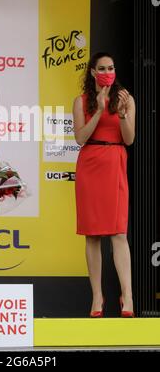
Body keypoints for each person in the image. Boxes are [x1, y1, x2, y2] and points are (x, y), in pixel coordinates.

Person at [73, 52, 135, 317]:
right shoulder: (81, 101)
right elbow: (80, 137)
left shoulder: (127, 98)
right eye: (102, 68)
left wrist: (121, 114)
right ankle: (97, 298)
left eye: (111, 67)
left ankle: (128, 297)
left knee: (119, 233)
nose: (108, 71)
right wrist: (98, 110)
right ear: (92, 72)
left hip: (115, 162)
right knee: (93, 234)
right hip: (90, 164)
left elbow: (129, 139)